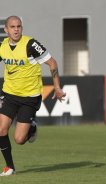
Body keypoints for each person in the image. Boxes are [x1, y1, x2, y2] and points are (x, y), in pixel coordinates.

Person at [0, 15, 66, 176]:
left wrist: (57, 87)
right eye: (13, 27)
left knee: (19, 140)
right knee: (1, 130)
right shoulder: (2, 46)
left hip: (29, 97)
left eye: (19, 26)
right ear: (6, 29)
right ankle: (10, 167)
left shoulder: (31, 44)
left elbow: (52, 63)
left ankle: (32, 128)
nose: (16, 30)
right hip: (9, 94)